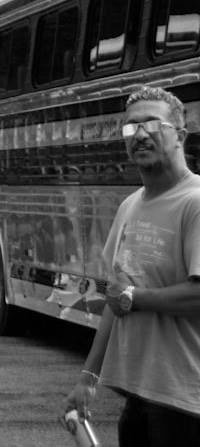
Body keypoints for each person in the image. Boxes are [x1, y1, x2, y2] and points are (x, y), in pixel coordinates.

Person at [65, 86, 200, 445]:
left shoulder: (195, 202)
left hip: (187, 401)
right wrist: (87, 378)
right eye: (130, 127)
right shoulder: (130, 206)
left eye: (152, 124)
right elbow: (115, 299)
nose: (139, 135)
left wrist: (134, 297)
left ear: (180, 136)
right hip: (139, 396)